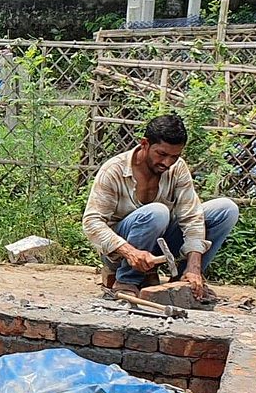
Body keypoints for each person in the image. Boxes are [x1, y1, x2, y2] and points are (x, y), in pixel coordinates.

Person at [82, 113, 240, 300]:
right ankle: (126, 280)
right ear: (145, 144)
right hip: (122, 251)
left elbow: (192, 217)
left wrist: (194, 266)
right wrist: (130, 252)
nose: (167, 163)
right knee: (157, 212)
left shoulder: (177, 168)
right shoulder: (114, 170)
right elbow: (91, 223)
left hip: (160, 247)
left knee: (226, 209)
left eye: (174, 156)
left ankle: (185, 280)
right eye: (162, 154)